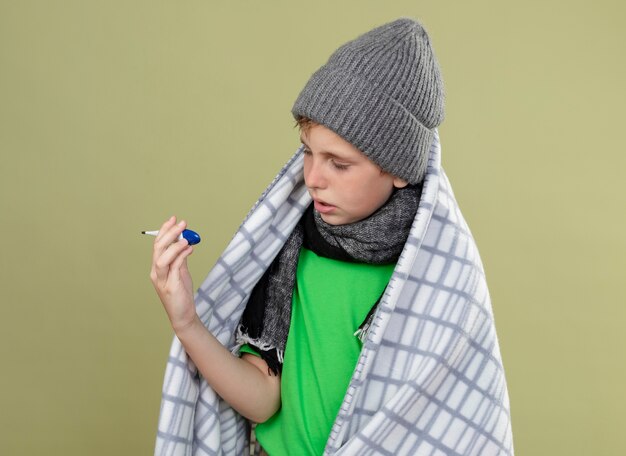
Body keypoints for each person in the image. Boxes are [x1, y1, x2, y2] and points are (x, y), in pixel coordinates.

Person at [151, 17, 514, 456]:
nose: (314, 179)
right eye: (308, 152)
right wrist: (186, 322)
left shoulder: (437, 279)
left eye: (339, 164)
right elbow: (263, 402)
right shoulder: (290, 247)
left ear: (398, 169)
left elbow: (454, 422)